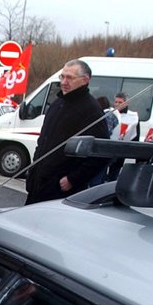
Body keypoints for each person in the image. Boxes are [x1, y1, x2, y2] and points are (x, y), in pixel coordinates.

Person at [24, 59, 110, 205]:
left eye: (69, 77)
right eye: (62, 77)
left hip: (61, 189)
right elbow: (43, 140)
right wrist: (33, 170)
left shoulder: (91, 110)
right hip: (38, 183)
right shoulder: (57, 103)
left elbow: (102, 153)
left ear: (85, 80)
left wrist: (73, 179)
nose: (64, 82)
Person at [104, 92, 140, 180]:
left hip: (121, 149)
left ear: (126, 103)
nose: (117, 104)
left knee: (114, 173)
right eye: (116, 102)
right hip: (108, 147)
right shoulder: (110, 113)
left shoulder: (133, 117)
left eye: (120, 102)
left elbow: (136, 135)